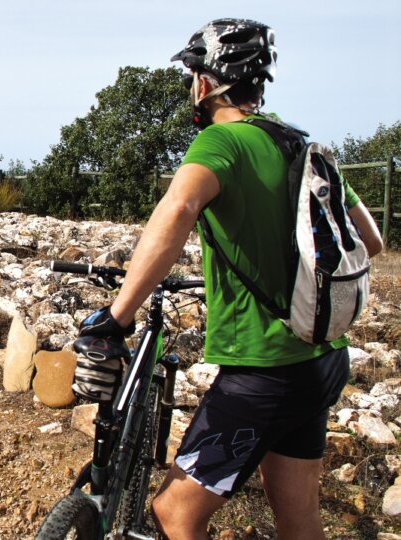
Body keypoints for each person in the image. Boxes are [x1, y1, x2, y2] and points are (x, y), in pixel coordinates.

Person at [73, 18, 384, 540]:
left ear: (205, 81)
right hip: (323, 360)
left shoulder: (220, 144)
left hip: (263, 372)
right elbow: (370, 242)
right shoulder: (300, 144)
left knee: (175, 514)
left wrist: (117, 317)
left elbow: (179, 209)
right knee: (299, 514)